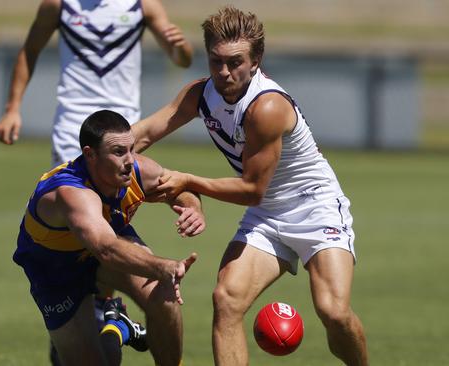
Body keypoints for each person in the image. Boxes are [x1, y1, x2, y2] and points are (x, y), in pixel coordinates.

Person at [132, 6, 369, 365]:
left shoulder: (267, 107)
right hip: (267, 215)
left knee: (334, 313)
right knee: (226, 299)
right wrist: (91, 157)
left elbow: (252, 189)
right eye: (215, 61)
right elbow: (146, 132)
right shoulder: (201, 94)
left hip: (314, 207)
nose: (224, 72)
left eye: (235, 61)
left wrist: (189, 181)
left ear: (256, 60)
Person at [12, 109, 204, 366]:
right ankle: (120, 328)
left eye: (131, 149)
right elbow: (106, 248)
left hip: (107, 244)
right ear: (90, 154)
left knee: (163, 293)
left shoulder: (136, 169)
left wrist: (192, 207)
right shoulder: (71, 192)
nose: (129, 160)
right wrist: (163, 266)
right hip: (56, 270)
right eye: (118, 152)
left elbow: (180, 188)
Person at [0, 0, 193, 167]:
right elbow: (30, 51)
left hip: (125, 123)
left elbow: (181, 60)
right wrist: (12, 109)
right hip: (72, 122)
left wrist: (181, 47)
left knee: (115, 207)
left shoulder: (142, 5)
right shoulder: (59, 5)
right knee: (74, 201)